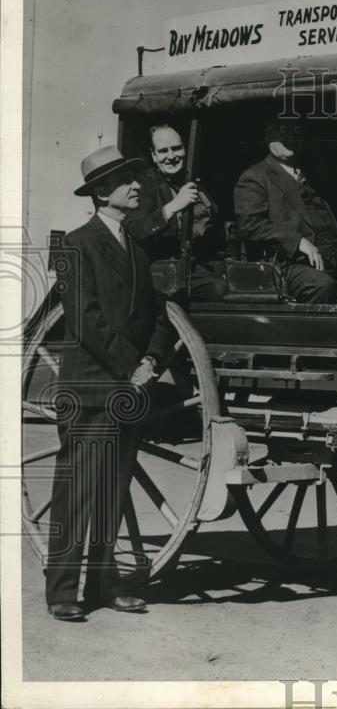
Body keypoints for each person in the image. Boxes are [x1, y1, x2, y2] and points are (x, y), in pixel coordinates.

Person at [45, 146, 171, 621]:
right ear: (102, 192)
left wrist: (153, 359)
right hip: (94, 390)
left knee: (113, 493)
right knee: (77, 492)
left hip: (129, 389)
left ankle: (104, 585)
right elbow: (85, 320)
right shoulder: (73, 245)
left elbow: (158, 315)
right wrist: (132, 367)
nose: (138, 186)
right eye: (127, 182)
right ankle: (61, 592)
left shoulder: (136, 247)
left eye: (137, 180)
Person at [234, 121, 337, 303]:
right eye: (282, 131)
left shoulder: (314, 173)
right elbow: (249, 225)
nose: (290, 137)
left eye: (295, 130)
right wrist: (296, 241)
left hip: (329, 258)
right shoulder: (255, 177)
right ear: (268, 138)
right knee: (322, 285)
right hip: (284, 264)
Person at [124, 123, 228, 301]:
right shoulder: (145, 184)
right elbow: (137, 229)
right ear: (153, 155)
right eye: (163, 151)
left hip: (196, 267)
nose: (171, 156)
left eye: (176, 148)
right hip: (161, 271)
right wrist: (174, 205)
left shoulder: (193, 180)